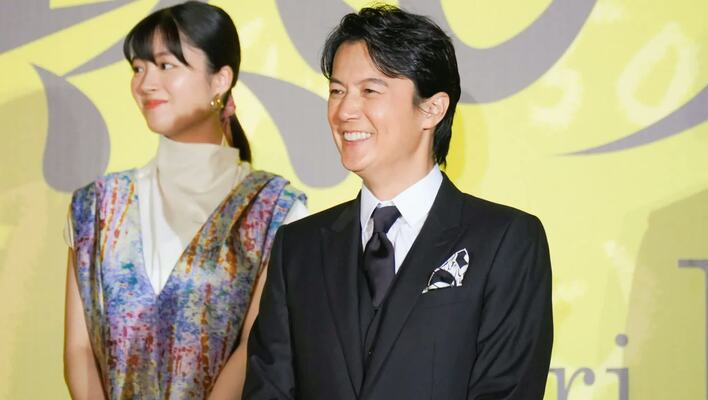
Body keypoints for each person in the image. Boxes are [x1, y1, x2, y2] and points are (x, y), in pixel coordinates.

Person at [245, 5, 552, 400]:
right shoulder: (298, 248)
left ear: (432, 108)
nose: (344, 110)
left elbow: (507, 389)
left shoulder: (505, 240)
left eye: (369, 91)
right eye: (337, 91)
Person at [63, 2, 307, 399]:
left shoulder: (275, 209)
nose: (145, 83)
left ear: (220, 80)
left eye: (165, 65)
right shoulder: (95, 206)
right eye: (138, 68)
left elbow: (256, 346)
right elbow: (79, 349)